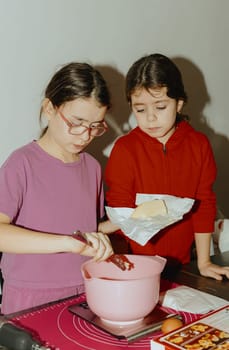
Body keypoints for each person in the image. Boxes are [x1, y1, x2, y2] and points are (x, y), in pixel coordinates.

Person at [0, 62, 114, 314]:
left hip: (85, 288)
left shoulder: (92, 167)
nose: (85, 135)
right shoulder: (22, 163)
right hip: (30, 297)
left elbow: (86, 229)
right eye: (77, 122)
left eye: (96, 126)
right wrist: (67, 243)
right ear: (49, 108)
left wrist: (128, 222)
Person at [103, 53, 229, 281]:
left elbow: (204, 205)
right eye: (140, 110)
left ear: (179, 103)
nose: (150, 119)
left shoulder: (198, 145)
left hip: (182, 263)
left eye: (160, 107)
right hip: (137, 266)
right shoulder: (125, 149)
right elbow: (121, 213)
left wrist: (204, 262)